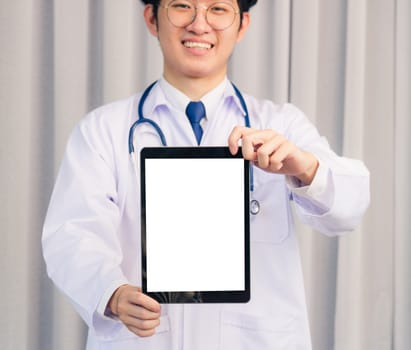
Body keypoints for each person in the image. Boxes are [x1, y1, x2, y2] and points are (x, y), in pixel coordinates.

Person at [42, 0, 370, 349]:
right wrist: (112, 292)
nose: (199, 25)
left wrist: (304, 168)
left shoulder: (281, 125)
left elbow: (350, 206)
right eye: (182, 6)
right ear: (152, 18)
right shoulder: (104, 131)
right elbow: (72, 235)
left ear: (242, 24)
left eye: (218, 9)